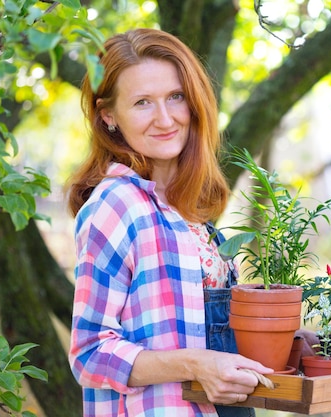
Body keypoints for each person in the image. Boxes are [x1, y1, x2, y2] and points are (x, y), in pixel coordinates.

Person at [66, 28, 275, 417]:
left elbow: (210, 332)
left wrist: (294, 340)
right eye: (142, 102)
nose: (165, 119)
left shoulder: (191, 213)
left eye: (175, 97)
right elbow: (89, 353)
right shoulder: (116, 207)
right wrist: (194, 364)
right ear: (108, 115)